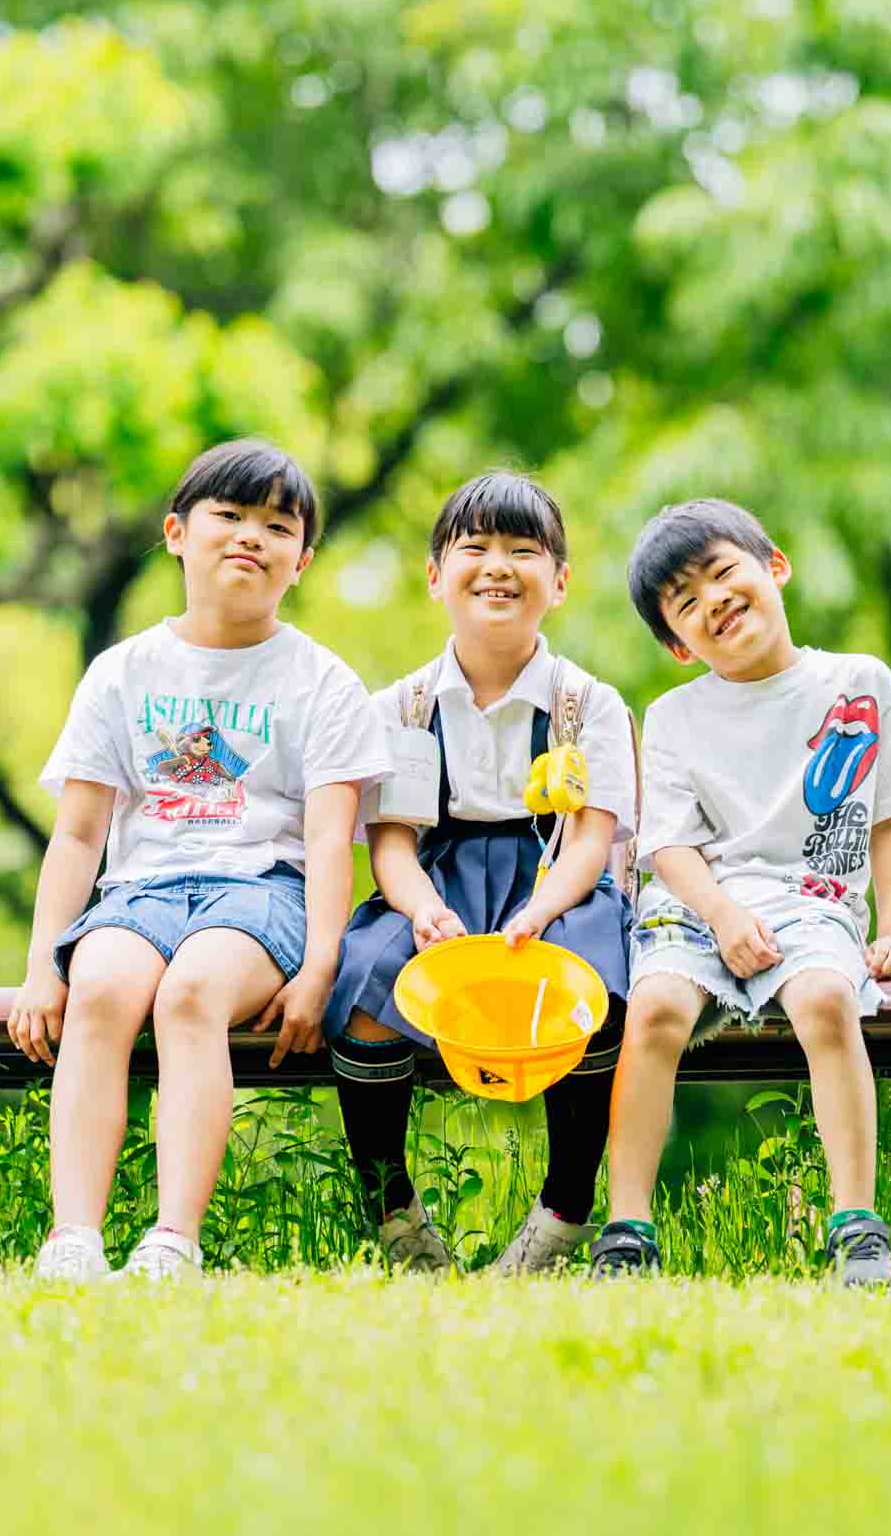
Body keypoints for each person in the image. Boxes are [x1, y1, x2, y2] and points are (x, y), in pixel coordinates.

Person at [7, 440, 389, 1283]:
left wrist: (320, 964)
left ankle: (173, 1240)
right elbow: (77, 836)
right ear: (178, 533)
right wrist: (43, 965)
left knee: (191, 993)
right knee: (100, 986)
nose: (251, 536)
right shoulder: (123, 672)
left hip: (263, 896)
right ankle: (74, 1236)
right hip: (138, 894)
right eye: (230, 515)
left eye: (277, 524)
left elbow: (331, 840)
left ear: (302, 558)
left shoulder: (322, 682)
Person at [592, 499, 891, 1286]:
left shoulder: (858, 682)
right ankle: (627, 1231)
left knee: (825, 997)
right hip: (697, 900)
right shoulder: (675, 713)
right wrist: (720, 916)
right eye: (685, 601)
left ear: (774, 565)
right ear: (678, 645)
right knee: (653, 1011)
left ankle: (857, 1226)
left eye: (723, 572)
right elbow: (670, 848)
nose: (713, 599)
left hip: (812, 900)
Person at [326, 471, 637, 1274]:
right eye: (476, 548)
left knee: (596, 976)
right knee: (366, 973)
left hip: (555, 877)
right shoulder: (401, 704)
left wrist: (541, 909)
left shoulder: (587, 703)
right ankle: (393, 1210)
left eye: (523, 550)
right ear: (436, 576)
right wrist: (425, 910)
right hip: (435, 875)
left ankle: (563, 1210)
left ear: (560, 582)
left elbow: (592, 841)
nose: (498, 565)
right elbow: (391, 843)